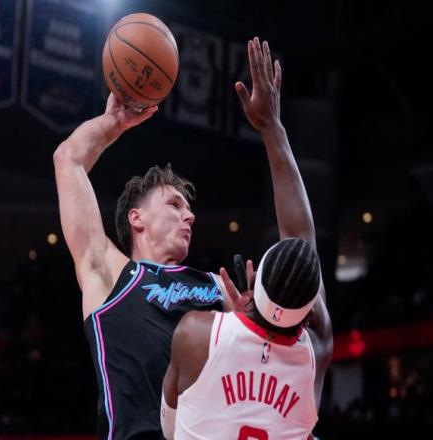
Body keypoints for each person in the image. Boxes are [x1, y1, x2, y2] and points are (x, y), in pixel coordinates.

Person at [160, 38, 333, 439]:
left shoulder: (197, 333)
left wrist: (270, 126)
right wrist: (274, 129)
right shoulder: (315, 353)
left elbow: (168, 430)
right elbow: (302, 240)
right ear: (308, 312)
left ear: (257, 285)